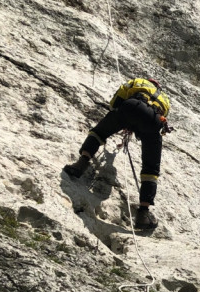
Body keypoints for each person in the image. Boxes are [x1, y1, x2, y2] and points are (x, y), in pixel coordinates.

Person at [63, 77, 172, 230]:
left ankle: (81, 164)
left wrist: (122, 118)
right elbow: (154, 119)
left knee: (99, 132)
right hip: (154, 119)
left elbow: (116, 101)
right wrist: (136, 127)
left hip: (132, 106)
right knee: (151, 169)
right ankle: (143, 214)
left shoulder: (138, 81)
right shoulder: (165, 99)